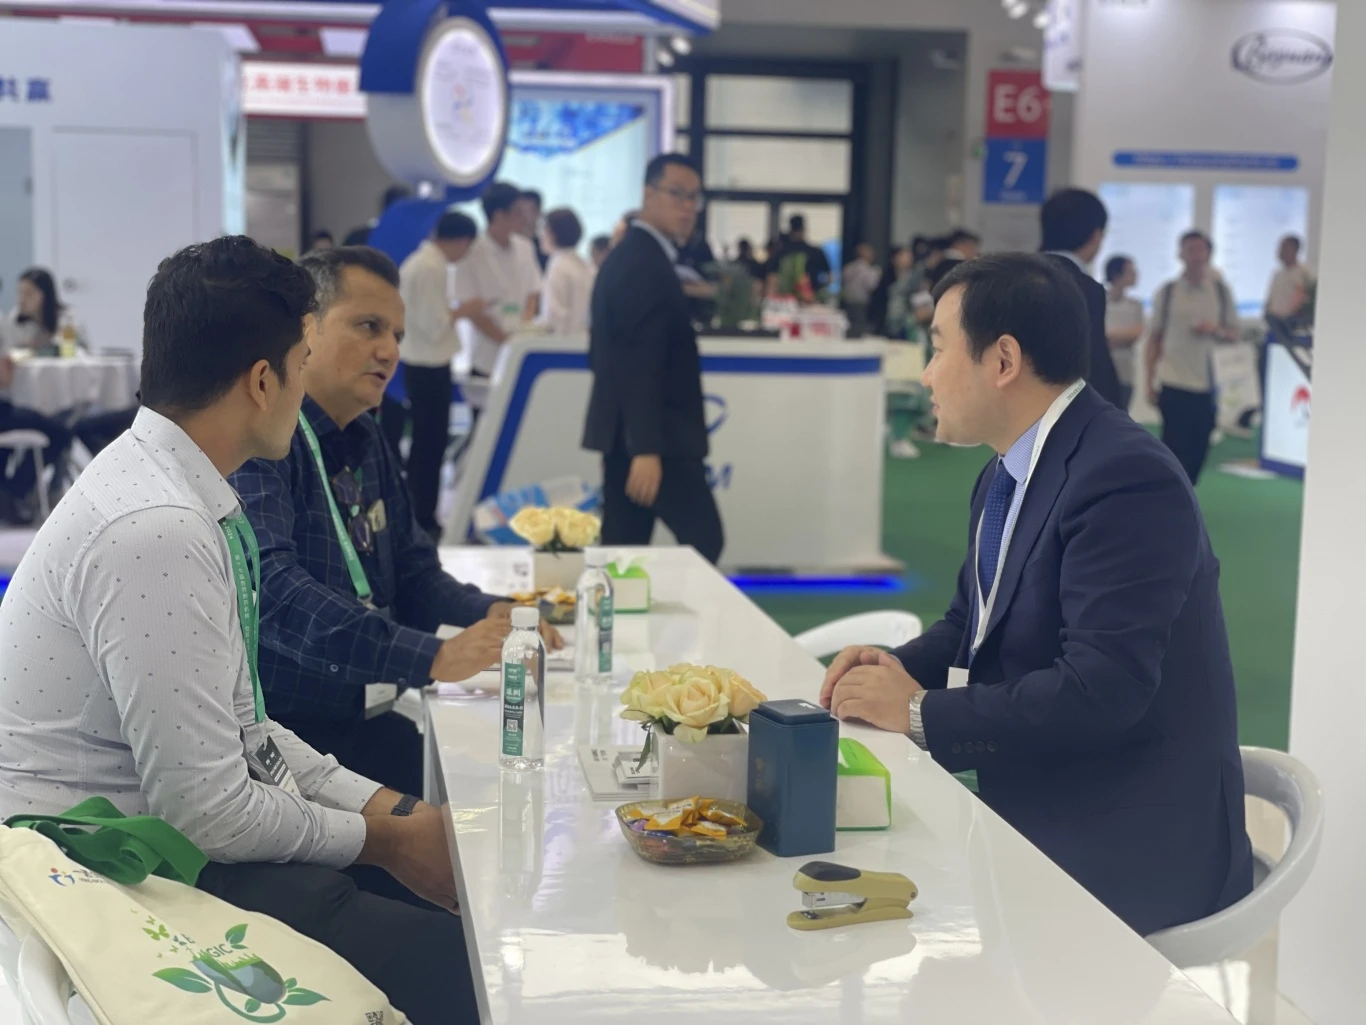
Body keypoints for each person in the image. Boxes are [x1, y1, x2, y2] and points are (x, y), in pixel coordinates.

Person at [0, 236, 477, 1025]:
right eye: (301, 362)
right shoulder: (156, 527)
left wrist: (395, 811)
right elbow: (208, 813)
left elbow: (249, 729)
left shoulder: (178, 488)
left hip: (148, 840)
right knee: (458, 973)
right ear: (263, 381)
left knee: (431, 916)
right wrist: (388, 839)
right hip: (96, 869)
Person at [818, 253, 1253, 936]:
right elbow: (971, 622)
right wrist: (891, 667)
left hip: (1129, 840)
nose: (927, 374)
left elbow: (1102, 690)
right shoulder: (1007, 469)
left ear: (1003, 360)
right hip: (1040, 796)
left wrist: (920, 711)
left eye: (938, 348)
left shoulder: (1124, 478)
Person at [231, 245, 561, 798]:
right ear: (305, 330)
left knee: (509, 786)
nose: (389, 350)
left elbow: (413, 572)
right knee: (464, 817)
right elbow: (277, 593)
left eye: (398, 335)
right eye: (369, 326)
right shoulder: (264, 442)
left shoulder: (367, 436)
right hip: (285, 741)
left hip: (367, 715)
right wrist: (434, 655)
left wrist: (493, 613)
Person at [582, 153, 723, 564]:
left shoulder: (640, 256)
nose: (687, 207)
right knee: (703, 542)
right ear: (648, 194)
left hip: (637, 435)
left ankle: (619, 611)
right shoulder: (642, 263)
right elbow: (636, 365)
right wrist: (644, 449)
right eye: (677, 194)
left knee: (623, 552)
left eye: (694, 197)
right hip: (656, 440)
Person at [398, 211, 484, 536]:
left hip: (423, 363)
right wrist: (465, 310)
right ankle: (424, 518)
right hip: (429, 365)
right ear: (461, 240)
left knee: (426, 445)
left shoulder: (423, 263)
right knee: (429, 446)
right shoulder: (430, 267)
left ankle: (421, 515)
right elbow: (434, 323)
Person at [1147, 230, 1238, 485]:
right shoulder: (1167, 292)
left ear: (1209, 254)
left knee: (1199, 449)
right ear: (1180, 254)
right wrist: (1149, 380)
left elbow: (1234, 334)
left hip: (1208, 386)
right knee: (1171, 450)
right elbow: (1154, 339)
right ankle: (1170, 496)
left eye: (1200, 250)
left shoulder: (1221, 292)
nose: (1195, 256)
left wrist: (1215, 330)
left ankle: (1188, 492)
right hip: (1174, 381)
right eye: (1190, 250)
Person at [0, 268, 75, 522]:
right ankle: (14, 492)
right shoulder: (6, 322)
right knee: (60, 432)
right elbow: (5, 379)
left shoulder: (64, 318)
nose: (21, 299)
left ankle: (12, 495)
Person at [1039, 188, 1124, 409]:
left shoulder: (1010, 278)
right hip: (1069, 413)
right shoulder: (1086, 289)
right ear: (1096, 235)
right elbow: (1094, 364)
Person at [453, 182, 543, 378]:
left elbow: (533, 293)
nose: (525, 218)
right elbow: (470, 308)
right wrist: (505, 340)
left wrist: (522, 333)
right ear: (499, 215)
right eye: (518, 212)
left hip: (521, 354)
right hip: (485, 356)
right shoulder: (471, 252)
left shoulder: (525, 247)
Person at [539, 207, 593, 337]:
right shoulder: (588, 266)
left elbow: (553, 316)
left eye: (543, 230)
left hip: (562, 343)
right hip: (585, 341)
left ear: (552, 234)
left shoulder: (558, 267)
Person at [1104, 255, 1144, 412]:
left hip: (1126, 373)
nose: (1135, 275)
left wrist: (1108, 337)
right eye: (1130, 271)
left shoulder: (1135, 305)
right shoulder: (1100, 300)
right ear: (1117, 275)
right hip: (1102, 372)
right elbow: (1096, 336)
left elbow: (1136, 334)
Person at [1265, 234, 1314, 325]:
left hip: (1291, 323)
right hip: (1274, 322)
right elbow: (1270, 299)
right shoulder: (1277, 274)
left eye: (1284, 248)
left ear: (1295, 250)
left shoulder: (1302, 273)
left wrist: (1290, 315)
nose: (1280, 251)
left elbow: (1301, 296)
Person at [780, 214, 831, 291]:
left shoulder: (782, 253)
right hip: (808, 294)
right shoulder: (815, 252)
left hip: (789, 295)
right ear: (803, 229)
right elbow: (829, 276)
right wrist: (819, 288)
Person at [842, 243, 881, 338]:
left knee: (849, 327)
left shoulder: (848, 268)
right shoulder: (870, 271)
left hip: (847, 302)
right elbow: (872, 287)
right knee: (860, 329)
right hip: (862, 304)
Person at [516, 188, 549, 271]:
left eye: (529, 211)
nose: (524, 216)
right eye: (520, 212)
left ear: (539, 213)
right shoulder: (508, 245)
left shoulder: (546, 249)